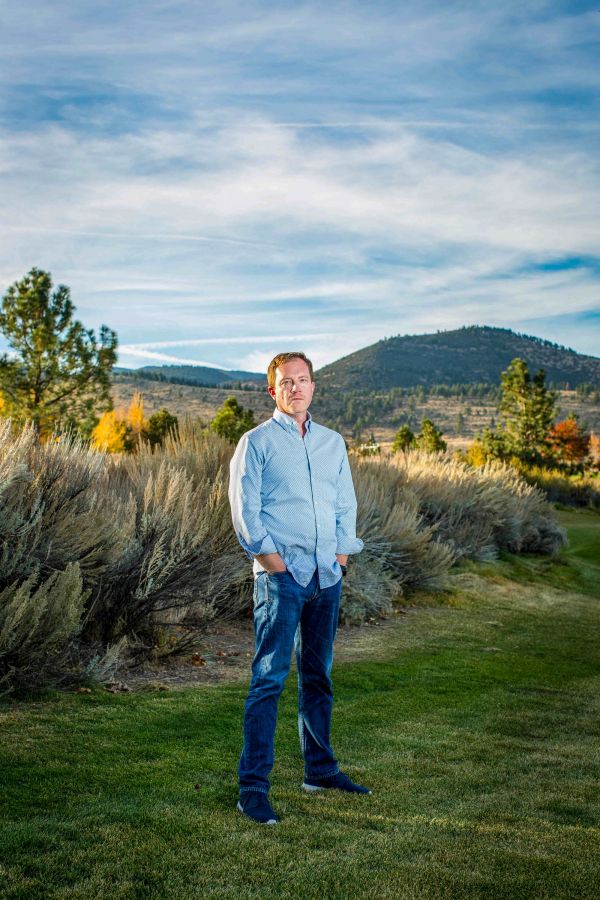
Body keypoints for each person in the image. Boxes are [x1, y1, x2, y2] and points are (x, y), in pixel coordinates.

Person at [228, 351, 370, 826]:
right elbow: (245, 512)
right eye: (285, 382)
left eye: (302, 380)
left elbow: (344, 505)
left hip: (326, 577)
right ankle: (252, 789)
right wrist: (273, 564)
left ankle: (321, 772)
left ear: (313, 387)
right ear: (273, 391)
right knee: (268, 680)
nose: (295, 388)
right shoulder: (257, 442)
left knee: (319, 678)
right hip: (281, 580)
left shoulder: (333, 443)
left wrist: (341, 557)